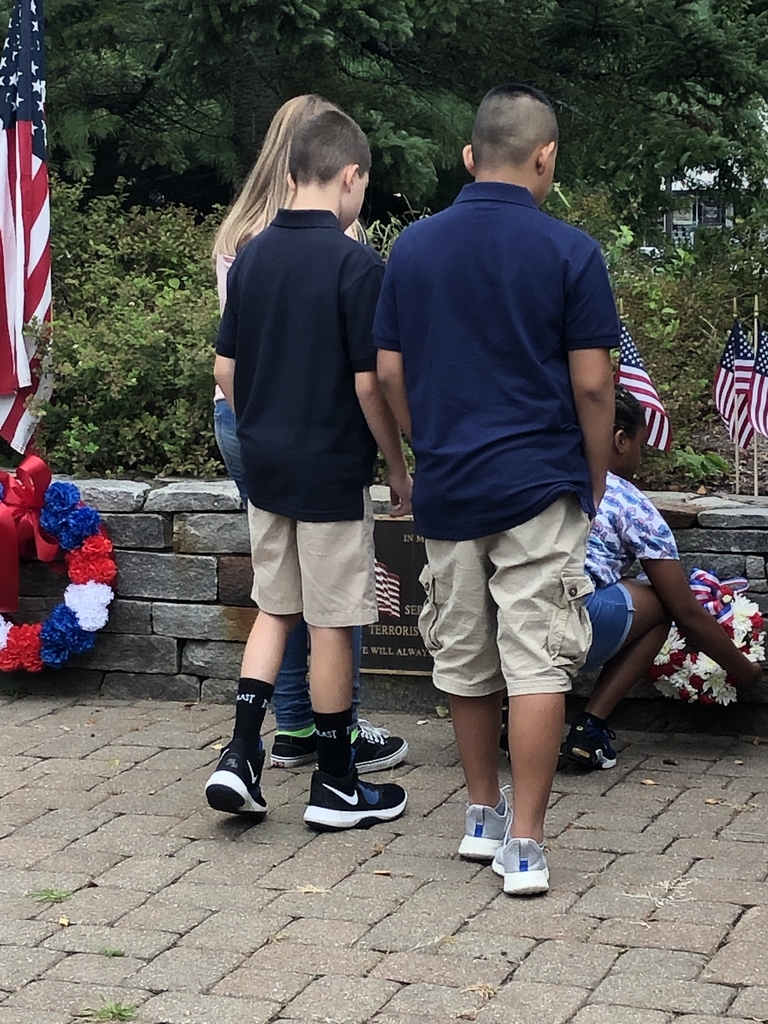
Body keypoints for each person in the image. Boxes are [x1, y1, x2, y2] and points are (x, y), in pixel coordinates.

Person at [375, 84, 616, 894]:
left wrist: (426, 442)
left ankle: (479, 812)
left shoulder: (411, 248)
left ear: (470, 156)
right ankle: (526, 842)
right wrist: (597, 470)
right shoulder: (572, 253)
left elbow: (387, 372)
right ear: (545, 156)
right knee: (539, 657)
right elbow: (592, 386)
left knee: (465, 650)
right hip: (540, 482)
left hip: (449, 483)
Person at [206, 107, 412, 830]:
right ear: (350, 177)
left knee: (275, 607)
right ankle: (335, 786)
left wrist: (259, 424)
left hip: (267, 465)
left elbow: (224, 368)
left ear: (291, 170)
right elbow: (369, 384)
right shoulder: (357, 265)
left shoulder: (253, 255)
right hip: (329, 470)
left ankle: (239, 756)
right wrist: (396, 465)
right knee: (330, 625)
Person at [560, 386, 763, 770]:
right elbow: (686, 610)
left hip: (507, 619)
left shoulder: (537, 478)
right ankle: (590, 729)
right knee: (660, 603)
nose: (640, 456)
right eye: (641, 444)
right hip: (573, 623)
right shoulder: (629, 501)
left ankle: (509, 719)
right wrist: (746, 671)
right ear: (620, 440)